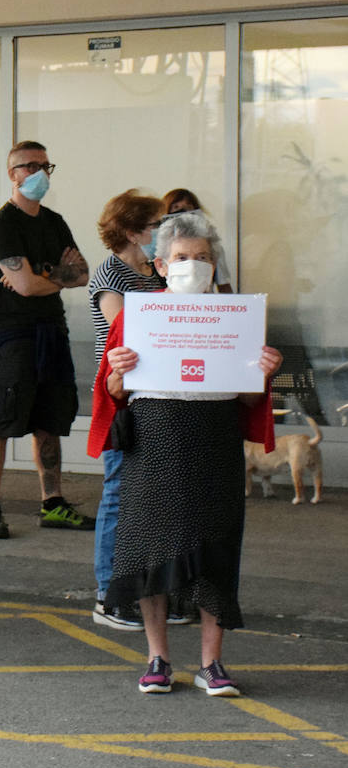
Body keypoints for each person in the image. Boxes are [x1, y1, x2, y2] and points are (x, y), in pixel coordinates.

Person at [88, 211, 280, 696]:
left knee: (215, 546)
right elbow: (113, 392)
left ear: (214, 265)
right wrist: (117, 369)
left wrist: (263, 374)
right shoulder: (138, 313)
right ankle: (158, 658)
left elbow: (252, 400)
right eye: (180, 257)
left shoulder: (237, 316)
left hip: (213, 436)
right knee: (150, 548)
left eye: (201, 257)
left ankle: (211, 663)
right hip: (154, 438)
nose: (191, 265)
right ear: (159, 264)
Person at [0, 141, 92, 539]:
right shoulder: (2, 225)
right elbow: (25, 285)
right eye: (30, 166)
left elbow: (83, 273)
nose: (39, 173)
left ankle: (53, 502)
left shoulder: (54, 222)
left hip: (51, 330)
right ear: (13, 174)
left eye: (45, 166)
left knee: (50, 420)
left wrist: (40, 278)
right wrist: (52, 276)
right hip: (13, 334)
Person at [87, 190, 166, 630]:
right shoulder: (111, 274)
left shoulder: (153, 272)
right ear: (135, 230)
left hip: (156, 395)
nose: (162, 232)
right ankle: (109, 594)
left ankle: (153, 591)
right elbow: (127, 329)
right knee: (119, 494)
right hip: (122, 399)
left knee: (154, 495)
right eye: (156, 225)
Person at [161, 188, 233, 293]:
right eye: (176, 207)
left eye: (188, 207)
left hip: (203, 305)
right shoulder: (157, 248)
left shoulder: (212, 247)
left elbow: (224, 286)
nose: (183, 212)